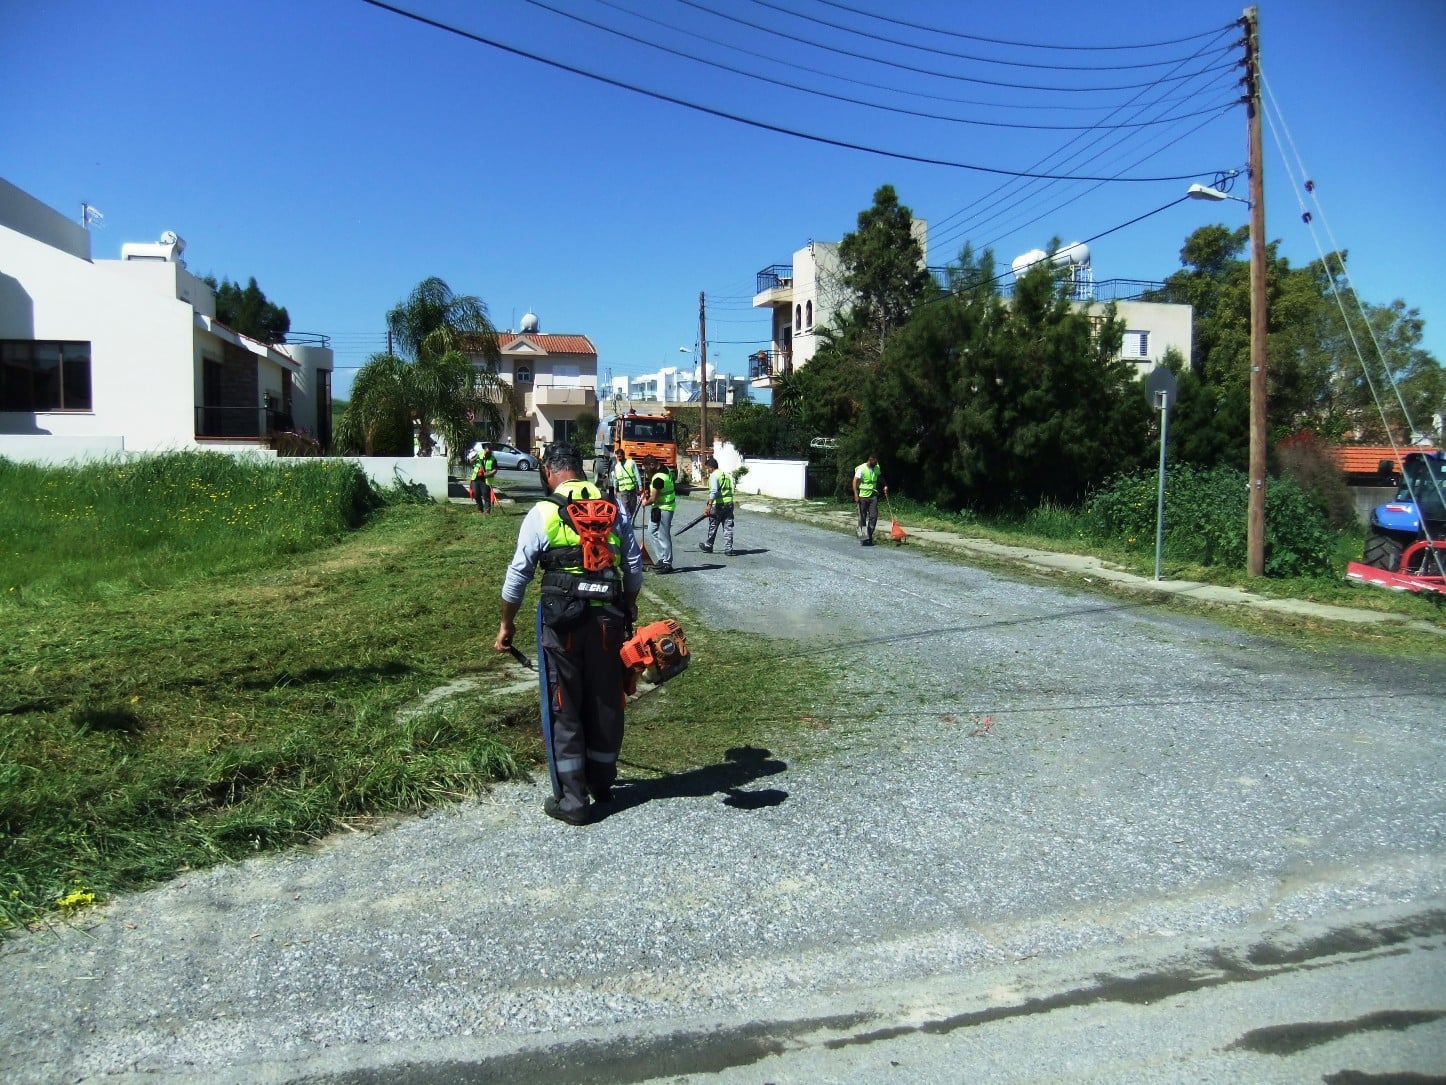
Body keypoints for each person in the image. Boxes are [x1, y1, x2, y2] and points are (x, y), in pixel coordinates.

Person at [494, 443, 643, 826]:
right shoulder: (614, 507)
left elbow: (518, 576)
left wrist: (506, 624)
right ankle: (602, 782)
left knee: (565, 703)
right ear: (580, 469)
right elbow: (633, 566)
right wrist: (629, 603)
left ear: (548, 471)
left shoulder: (543, 512)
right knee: (606, 698)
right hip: (609, 618)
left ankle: (574, 801)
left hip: (563, 623)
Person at [642, 463, 675, 574]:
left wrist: (645, 503)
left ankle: (667, 563)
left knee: (664, 536)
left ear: (651, 466)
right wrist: (647, 491)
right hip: (657, 509)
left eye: (646, 469)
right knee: (651, 532)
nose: (645, 473)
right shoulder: (663, 473)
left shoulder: (659, 478)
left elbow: (654, 498)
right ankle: (661, 558)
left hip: (664, 508)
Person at [699, 456, 735, 556]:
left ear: (711, 467)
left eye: (707, 469)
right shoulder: (726, 475)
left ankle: (709, 545)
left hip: (718, 504)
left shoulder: (714, 476)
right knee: (728, 526)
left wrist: (709, 505)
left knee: (713, 525)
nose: (707, 471)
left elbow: (714, 491)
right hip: (729, 503)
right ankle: (729, 549)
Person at [852, 453, 888, 546]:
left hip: (873, 496)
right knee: (862, 518)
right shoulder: (862, 468)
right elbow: (854, 481)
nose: (876, 464)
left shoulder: (876, 467)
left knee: (874, 517)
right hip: (862, 497)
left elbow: (879, 476)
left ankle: (869, 536)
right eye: (875, 462)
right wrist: (856, 494)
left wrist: (885, 485)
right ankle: (863, 539)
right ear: (870, 460)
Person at [612, 446, 643, 523]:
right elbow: (615, 479)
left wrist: (640, 486)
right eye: (617, 457)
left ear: (623, 455)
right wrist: (615, 490)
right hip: (623, 491)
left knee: (632, 506)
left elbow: (637, 474)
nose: (619, 458)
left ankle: (630, 519)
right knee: (625, 507)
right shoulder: (617, 467)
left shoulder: (631, 463)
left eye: (620, 456)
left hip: (632, 489)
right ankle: (628, 522)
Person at [471, 442, 499, 514]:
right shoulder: (479, 454)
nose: (487, 454)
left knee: (485, 495)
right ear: (484, 450)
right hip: (476, 478)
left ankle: (487, 511)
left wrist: (488, 474)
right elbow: (471, 461)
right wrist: (475, 459)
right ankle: (480, 510)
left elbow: (495, 470)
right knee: (476, 494)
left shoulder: (493, 459)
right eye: (486, 452)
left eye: (489, 452)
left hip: (486, 479)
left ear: (491, 451)